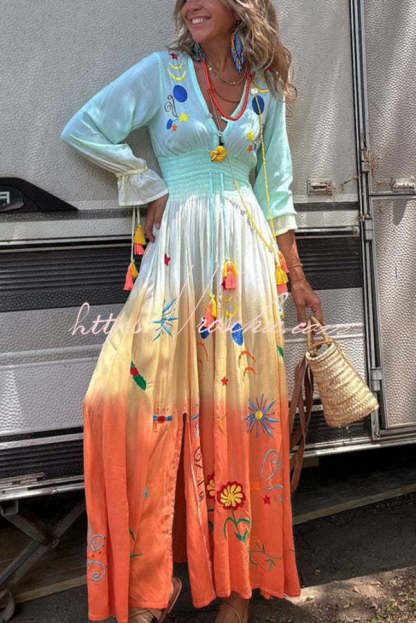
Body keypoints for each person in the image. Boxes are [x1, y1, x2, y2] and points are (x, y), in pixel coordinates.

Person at [60, 1, 324, 622]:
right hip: (178, 258)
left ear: (242, 7)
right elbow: (84, 127)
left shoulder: (264, 89)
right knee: (119, 402)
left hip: (246, 262)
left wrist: (298, 278)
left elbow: (276, 192)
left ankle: (236, 586)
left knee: (239, 416)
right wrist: (147, 183)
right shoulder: (163, 71)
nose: (192, 4)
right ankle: (153, 581)